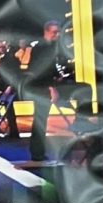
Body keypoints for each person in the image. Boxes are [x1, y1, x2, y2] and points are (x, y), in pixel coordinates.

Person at [25, 20, 65, 161]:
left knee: (41, 121)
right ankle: (37, 153)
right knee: (40, 121)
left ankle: (38, 152)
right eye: (54, 32)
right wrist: (51, 88)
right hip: (41, 88)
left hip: (43, 86)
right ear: (46, 31)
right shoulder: (42, 48)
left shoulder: (51, 47)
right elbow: (41, 71)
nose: (57, 35)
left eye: (58, 32)